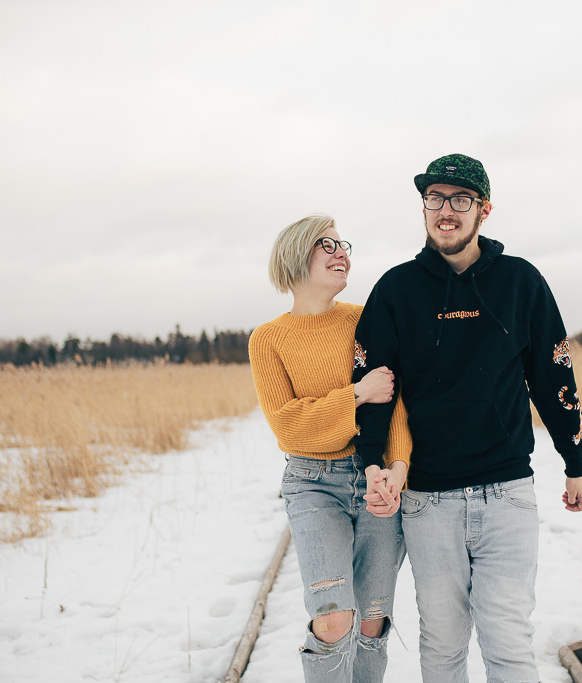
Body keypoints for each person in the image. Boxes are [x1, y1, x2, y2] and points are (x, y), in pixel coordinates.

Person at [351, 153, 582, 682]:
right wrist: (373, 462)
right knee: (442, 645)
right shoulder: (396, 289)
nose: (446, 210)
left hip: (506, 493)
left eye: (460, 199)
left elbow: (553, 378)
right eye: (435, 198)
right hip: (428, 500)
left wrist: (574, 461)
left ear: (484, 209)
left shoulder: (520, 282)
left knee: (508, 642)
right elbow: (374, 386)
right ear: (424, 208)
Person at [248, 214, 411, 683]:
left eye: (344, 244)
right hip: (313, 484)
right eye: (328, 244)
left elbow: (398, 404)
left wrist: (395, 469)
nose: (343, 253)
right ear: (296, 255)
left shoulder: (366, 319)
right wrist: (356, 394)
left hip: (377, 478)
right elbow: (289, 426)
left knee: (372, 617)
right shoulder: (268, 339)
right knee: (335, 617)